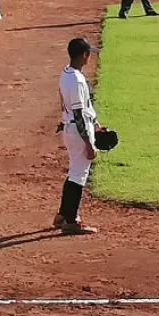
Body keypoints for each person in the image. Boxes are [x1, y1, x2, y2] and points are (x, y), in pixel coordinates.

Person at [52, 38, 104, 235]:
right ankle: (71, 221)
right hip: (77, 130)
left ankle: (63, 215)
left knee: (74, 172)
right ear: (84, 55)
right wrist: (89, 143)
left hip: (69, 127)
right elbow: (79, 114)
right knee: (78, 176)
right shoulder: (77, 80)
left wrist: (96, 124)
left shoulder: (67, 74)